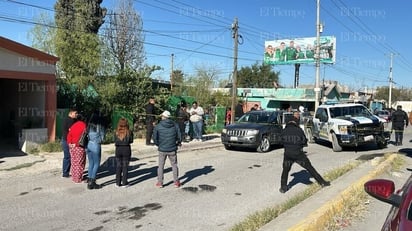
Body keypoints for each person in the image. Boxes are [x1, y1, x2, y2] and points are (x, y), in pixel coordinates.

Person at [279, 113, 330, 193]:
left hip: (288, 154)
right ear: (296, 122)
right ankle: (322, 182)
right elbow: (304, 141)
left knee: (285, 171)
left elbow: (280, 141)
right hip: (298, 154)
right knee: (310, 168)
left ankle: (283, 188)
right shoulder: (299, 130)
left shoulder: (284, 131)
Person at [153, 111, 182, 188]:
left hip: (162, 149)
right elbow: (179, 135)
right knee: (174, 165)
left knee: (161, 166)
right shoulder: (175, 125)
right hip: (172, 148)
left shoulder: (158, 126)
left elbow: (155, 138)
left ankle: (160, 182)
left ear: (163, 117)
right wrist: (178, 143)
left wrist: (158, 145)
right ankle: (176, 182)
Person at [85, 111, 105, 190]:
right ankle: (92, 182)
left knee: (91, 163)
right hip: (96, 145)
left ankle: (89, 179)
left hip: (89, 145)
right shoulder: (100, 125)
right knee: (96, 163)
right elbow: (102, 138)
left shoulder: (89, 125)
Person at [67, 113, 87, 183]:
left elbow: (69, 135)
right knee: (80, 163)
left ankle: (74, 176)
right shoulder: (84, 125)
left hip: (72, 147)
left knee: (74, 162)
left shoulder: (73, 125)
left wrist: (70, 143)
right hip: (79, 146)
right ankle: (78, 178)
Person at [114, 118, 134, 187]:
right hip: (126, 149)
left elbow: (114, 141)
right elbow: (131, 141)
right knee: (125, 166)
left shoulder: (116, 132)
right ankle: (124, 182)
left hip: (118, 149)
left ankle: (117, 182)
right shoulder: (129, 132)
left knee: (118, 166)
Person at [61, 108, 77, 178]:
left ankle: (66, 172)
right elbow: (71, 131)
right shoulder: (70, 120)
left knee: (67, 157)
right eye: (75, 113)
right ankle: (65, 173)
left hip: (65, 140)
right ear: (71, 113)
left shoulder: (66, 119)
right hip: (67, 141)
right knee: (68, 157)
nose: (76, 114)